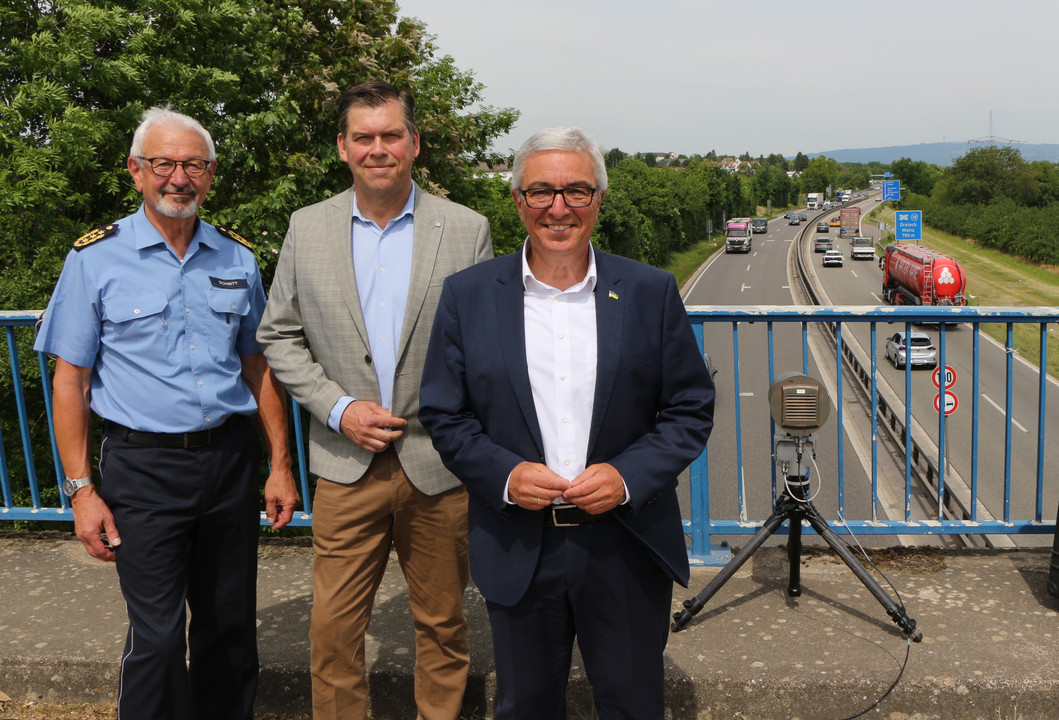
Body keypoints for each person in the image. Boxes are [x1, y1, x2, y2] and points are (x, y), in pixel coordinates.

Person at [419, 126, 716, 720]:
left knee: (633, 706)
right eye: (541, 193)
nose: (559, 208)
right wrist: (505, 476)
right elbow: (444, 415)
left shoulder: (649, 291)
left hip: (624, 543)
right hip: (518, 543)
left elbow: (689, 408)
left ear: (599, 199)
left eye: (576, 191)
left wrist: (628, 477)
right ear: (517, 201)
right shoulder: (467, 296)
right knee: (525, 707)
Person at [33, 106, 299, 720]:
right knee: (154, 637)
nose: (179, 177)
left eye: (194, 165)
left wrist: (279, 465)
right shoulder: (95, 259)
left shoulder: (236, 258)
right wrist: (80, 492)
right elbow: (70, 381)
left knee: (228, 625)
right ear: (136, 171)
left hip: (229, 461)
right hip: (142, 467)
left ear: (210, 174)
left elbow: (259, 368)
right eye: (164, 163)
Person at [256, 81, 491, 720]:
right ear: (343, 147)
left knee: (442, 627)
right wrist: (338, 408)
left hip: (438, 467)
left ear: (414, 143)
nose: (378, 148)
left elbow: (485, 348)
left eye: (391, 135)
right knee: (332, 634)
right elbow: (277, 333)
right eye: (364, 137)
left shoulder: (466, 229)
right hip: (343, 463)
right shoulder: (307, 228)